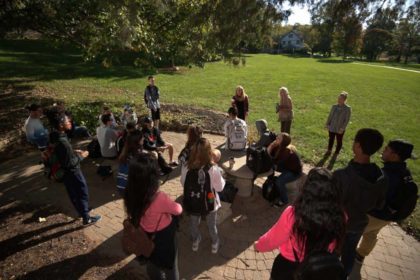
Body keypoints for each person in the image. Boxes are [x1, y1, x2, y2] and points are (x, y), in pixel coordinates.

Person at [255, 168, 346, 280]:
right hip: (319, 267)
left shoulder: (293, 214)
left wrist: (259, 246)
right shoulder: (341, 216)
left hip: (288, 267)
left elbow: (273, 238)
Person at [333, 128, 388, 278]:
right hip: (359, 224)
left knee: (331, 254)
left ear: (357, 145)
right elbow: (379, 204)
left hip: (338, 225)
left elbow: (330, 202)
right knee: (349, 253)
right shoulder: (381, 176)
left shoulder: (341, 176)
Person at [356, 140, 417, 263]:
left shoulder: (385, 175)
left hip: (374, 214)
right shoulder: (405, 172)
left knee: (352, 231)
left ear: (394, 155)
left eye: (386, 149)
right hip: (389, 215)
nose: (383, 150)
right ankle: (361, 254)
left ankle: (339, 253)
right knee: (372, 233)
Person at [124, 153, 182, 280]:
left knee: (152, 261)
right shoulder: (158, 197)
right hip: (164, 236)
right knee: (171, 267)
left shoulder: (129, 191)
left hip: (144, 233)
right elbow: (178, 210)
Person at [47, 111, 101, 225]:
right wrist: (82, 156)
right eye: (67, 120)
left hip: (66, 174)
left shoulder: (55, 135)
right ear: (61, 124)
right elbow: (69, 164)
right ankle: (86, 218)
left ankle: (82, 210)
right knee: (82, 192)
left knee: (73, 193)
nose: (70, 122)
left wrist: (72, 151)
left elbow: (62, 154)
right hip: (73, 172)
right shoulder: (62, 141)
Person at [181, 138, 225, 254]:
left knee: (193, 224)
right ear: (209, 153)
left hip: (193, 201)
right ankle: (215, 243)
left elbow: (183, 182)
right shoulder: (213, 169)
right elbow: (220, 188)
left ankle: (196, 241)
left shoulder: (186, 166)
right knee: (211, 225)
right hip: (209, 202)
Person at [267, 132, 302, 207]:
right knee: (271, 167)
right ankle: (271, 182)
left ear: (283, 142)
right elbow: (271, 157)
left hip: (294, 172)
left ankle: (284, 201)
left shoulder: (286, 150)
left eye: (278, 138)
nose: (276, 139)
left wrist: (271, 146)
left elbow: (273, 161)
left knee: (279, 181)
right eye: (277, 137)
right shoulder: (279, 146)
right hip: (286, 167)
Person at [116, 130, 143, 196]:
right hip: (129, 189)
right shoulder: (135, 157)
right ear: (137, 141)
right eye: (142, 138)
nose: (144, 139)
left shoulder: (126, 152)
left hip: (122, 187)